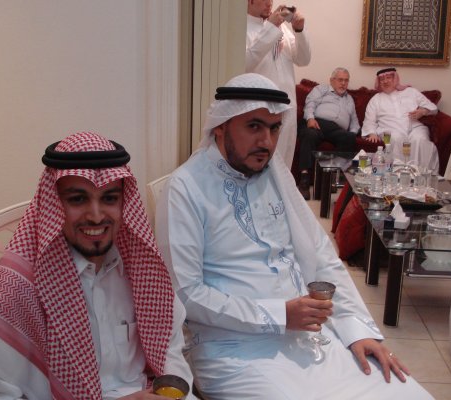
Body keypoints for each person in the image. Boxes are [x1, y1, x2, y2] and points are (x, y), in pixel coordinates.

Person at [155, 73, 434, 400]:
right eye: (254, 126)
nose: (267, 142)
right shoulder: (185, 188)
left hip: (309, 339)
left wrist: (355, 329)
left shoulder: (273, 172)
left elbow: (321, 254)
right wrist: (279, 315)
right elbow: (186, 294)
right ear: (221, 126)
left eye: (275, 128)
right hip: (234, 352)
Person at [0, 132, 197, 400]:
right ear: (54, 204)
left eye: (109, 198)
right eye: (77, 199)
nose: (96, 216)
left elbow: (170, 349)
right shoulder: (10, 295)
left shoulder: (141, 268)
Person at [246, 0, 311, 170]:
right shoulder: (242, 27)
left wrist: (299, 30)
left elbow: (303, 60)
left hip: (288, 106)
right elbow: (245, 63)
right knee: (261, 166)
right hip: (261, 109)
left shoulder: (283, 29)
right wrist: (270, 28)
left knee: (284, 165)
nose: (270, 3)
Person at [297, 67, 359, 200]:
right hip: (317, 123)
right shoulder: (322, 89)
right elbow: (310, 103)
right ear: (332, 80)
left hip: (336, 130)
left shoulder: (349, 99)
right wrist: (310, 118)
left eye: (346, 80)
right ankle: (304, 180)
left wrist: (353, 134)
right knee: (309, 135)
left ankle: (332, 180)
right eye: (340, 80)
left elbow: (354, 122)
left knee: (349, 137)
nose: (343, 83)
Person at [362, 67, 439, 172]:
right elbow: (369, 120)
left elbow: (433, 108)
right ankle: (398, 174)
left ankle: (422, 174)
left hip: (414, 127)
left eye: (388, 78)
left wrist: (422, 111)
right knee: (397, 138)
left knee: (420, 139)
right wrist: (372, 133)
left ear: (395, 79)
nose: (385, 81)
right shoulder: (376, 99)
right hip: (389, 129)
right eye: (382, 79)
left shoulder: (411, 92)